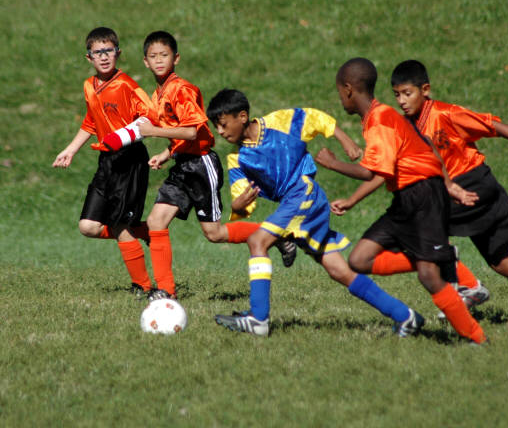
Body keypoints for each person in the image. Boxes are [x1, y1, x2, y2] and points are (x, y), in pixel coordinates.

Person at [206, 88, 426, 338]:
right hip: (296, 202)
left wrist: (345, 140)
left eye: (223, 124)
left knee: (258, 241)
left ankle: (258, 318)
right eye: (217, 127)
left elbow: (315, 118)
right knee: (339, 270)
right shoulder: (237, 159)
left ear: (242, 116)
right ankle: (405, 316)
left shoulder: (279, 122)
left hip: (304, 193)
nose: (220, 132)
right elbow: (242, 200)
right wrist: (238, 206)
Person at [388, 59, 508, 326]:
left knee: (421, 227)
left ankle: (469, 288)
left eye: (407, 93)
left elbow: (493, 125)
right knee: (500, 261)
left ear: (425, 90)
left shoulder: (446, 114)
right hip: (467, 190)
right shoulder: (406, 125)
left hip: (472, 184)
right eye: (397, 95)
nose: (401, 100)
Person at [104, 31, 296, 300]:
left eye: (164, 55)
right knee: (157, 221)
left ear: (176, 58)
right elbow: (178, 133)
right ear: (145, 62)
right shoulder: (158, 94)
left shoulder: (181, 90)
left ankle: (278, 235)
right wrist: (167, 153)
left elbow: (193, 132)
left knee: (214, 233)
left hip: (201, 166)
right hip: (182, 165)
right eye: (153, 56)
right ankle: (166, 291)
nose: (159, 60)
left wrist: (153, 132)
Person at [316, 58, 487, 344]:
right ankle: (442, 257)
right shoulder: (378, 117)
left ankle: (477, 338)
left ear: (348, 89)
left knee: (429, 276)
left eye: (339, 92)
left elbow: (370, 171)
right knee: (359, 259)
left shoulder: (380, 119)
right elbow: (386, 170)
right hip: (406, 198)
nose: (340, 98)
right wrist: (353, 200)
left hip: (423, 195)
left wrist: (332, 164)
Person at [52, 27, 154, 296]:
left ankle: (143, 287)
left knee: (119, 225)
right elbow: (91, 121)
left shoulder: (127, 86)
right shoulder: (89, 86)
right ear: (89, 57)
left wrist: (123, 136)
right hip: (106, 162)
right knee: (88, 226)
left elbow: (149, 118)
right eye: (98, 52)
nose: (104, 56)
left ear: (118, 53)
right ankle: (144, 231)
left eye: (109, 50)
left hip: (130, 160)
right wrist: (71, 150)